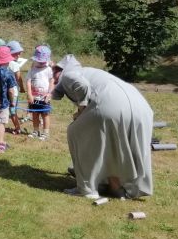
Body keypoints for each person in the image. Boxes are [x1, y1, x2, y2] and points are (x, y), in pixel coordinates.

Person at [52, 55, 153, 199]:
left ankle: (87, 189)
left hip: (112, 106)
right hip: (142, 108)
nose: (53, 78)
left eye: (53, 73)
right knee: (112, 145)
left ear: (59, 69)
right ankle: (117, 187)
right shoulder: (89, 71)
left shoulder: (68, 74)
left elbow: (82, 85)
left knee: (75, 132)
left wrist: (81, 110)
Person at [0, 46, 18, 153]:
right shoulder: (8, 74)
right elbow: (11, 90)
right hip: (4, 103)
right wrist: (12, 102)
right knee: (1, 123)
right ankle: (1, 144)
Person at [25, 45, 54, 140]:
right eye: (39, 61)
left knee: (45, 114)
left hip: (44, 97)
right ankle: (36, 130)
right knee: (35, 114)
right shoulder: (32, 70)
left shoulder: (49, 69)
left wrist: (49, 93)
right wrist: (29, 94)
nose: (41, 63)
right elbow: (28, 81)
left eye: (43, 61)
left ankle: (46, 133)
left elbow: (52, 81)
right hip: (34, 97)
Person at [5, 40, 26, 134]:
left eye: (19, 53)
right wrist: (22, 88)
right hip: (13, 92)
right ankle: (17, 128)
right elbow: (19, 78)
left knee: (10, 110)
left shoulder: (3, 63)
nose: (19, 55)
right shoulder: (15, 64)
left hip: (5, 90)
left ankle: (17, 128)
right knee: (12, 111)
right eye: (17, 53)